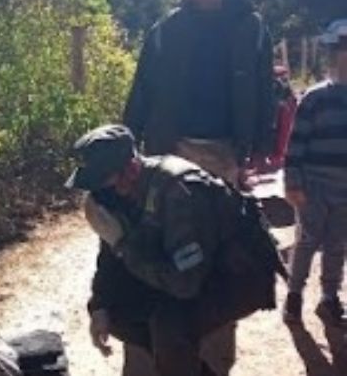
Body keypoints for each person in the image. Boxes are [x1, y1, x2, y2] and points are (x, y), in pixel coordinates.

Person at [65, 124, 283, 376]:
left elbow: (185, 283)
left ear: (131, 170)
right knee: (119, 312)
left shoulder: (178, 192)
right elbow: (110, 256)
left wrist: (123, 245)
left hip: (238, 274)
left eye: (103, 184)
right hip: (189, 268)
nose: (99, 194)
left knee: (168, 325)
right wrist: (100, 305)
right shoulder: (119, 195)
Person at [123, 0, 275, 185]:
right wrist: (127, 148)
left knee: (222, 218)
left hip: (228, 148)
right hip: (173, 145)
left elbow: (265, 88)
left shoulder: (251, 29)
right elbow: (142, 90)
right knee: (174, 218)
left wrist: (262, 146)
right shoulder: (166, 30)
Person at [283, 19, 347, 326]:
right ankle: (294, 295)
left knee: (338, 243)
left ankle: (329, 297)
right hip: (315, 185)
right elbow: (296, 144)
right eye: (344, 49)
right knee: (307, 240)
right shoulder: (316, 98)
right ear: (333, 55)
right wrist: (293, 181)